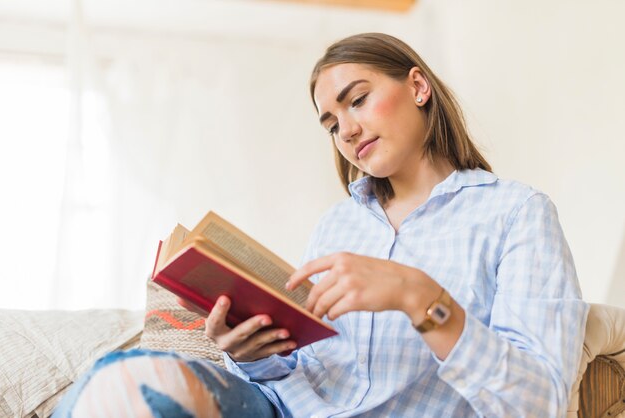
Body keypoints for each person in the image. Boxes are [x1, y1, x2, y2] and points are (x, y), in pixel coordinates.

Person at [52, 32, 588, 418]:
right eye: (331, 123)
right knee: (127, 377)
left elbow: (538, 402)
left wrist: (420, 295)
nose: (347, 130)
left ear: (419, 87)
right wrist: (251, 355)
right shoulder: (338, 225)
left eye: (357, 100)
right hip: (276, 406)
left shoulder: (517, 214)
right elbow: (306, 364)